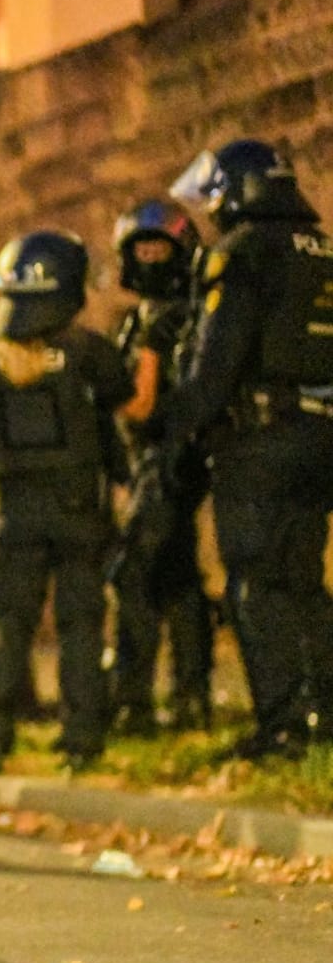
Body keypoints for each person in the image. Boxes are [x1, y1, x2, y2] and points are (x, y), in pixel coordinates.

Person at [162, 140, 333, 760]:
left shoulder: (240, 254)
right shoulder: (322, 251)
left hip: (259, 442)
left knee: (256, 585)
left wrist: (178, 432)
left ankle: (281, 727)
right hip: (321, 436)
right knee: (305, 581)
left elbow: (216, 364)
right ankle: (324, 717)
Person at [0, 232, 133, 774]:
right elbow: (122, 410)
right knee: (82, 625)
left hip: (15, 514)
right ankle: (82, 740)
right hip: (80, 509)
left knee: (7, 624)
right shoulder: (88, 352)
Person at [107, 200, 212, 734]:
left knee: (133, 576)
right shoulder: (163, 313)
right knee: (178, 577)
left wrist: (100, 396)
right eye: (140, 249)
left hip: (165, 458)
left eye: (158, 248)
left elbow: (143, 402)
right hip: (168, 460)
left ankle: (133, 703)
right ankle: (192, 697)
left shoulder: (163, 318)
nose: (148, 258)